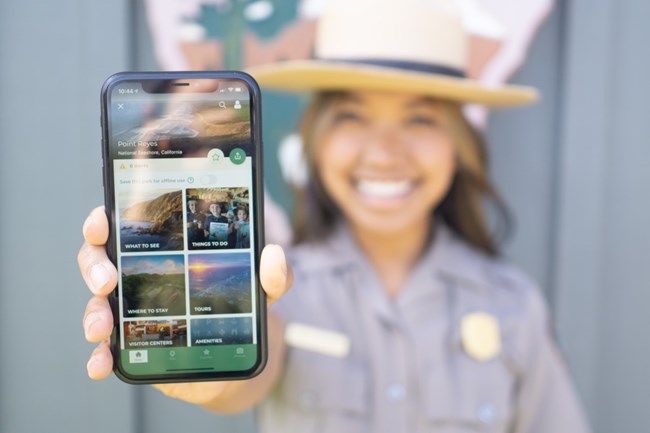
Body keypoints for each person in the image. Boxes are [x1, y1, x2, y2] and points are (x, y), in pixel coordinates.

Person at [78, 2, 591, 432]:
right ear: (317, 139)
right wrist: (211, 377)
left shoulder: (514, 305)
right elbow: (249, 374)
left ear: (458, 146)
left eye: (420, 117)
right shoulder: (276, 284)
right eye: (352, 115)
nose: (384, 151)